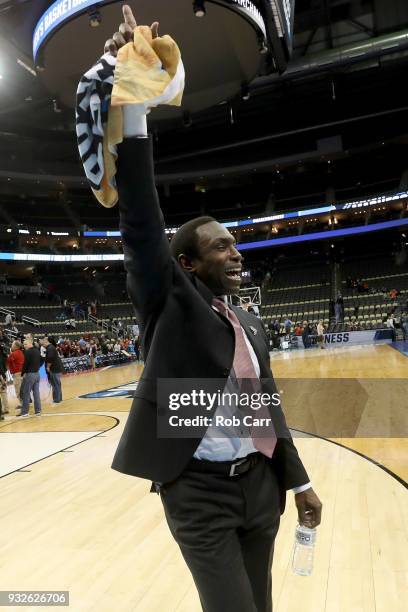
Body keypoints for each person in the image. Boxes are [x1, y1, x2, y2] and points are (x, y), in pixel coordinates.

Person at [92, 8, 322, 612]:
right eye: (222, 245)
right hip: (197, 492)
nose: (236, 253)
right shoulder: (168, 302)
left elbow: (266, 404)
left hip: (260, 487)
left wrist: (299, 481)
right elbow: (141, 220)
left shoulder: (247, 320)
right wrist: (135, 104)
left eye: (236, 244)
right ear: (189, 264)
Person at [17, 336, 42, 417]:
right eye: (24, 344)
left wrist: (22, 373)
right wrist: (37, 367)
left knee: (26, 393)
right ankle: (38, 411)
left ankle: (25, 412)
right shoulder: (37, 351)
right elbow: (42, 360)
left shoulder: (28, 352)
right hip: (37, 374)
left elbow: (25, 364)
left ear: (30, 343)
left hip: (30, 374)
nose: (24, 346)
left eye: (25, 344)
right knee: (36, 393)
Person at [41, 336, 64, 404]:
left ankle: (57, 399)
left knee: (55, 384)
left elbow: (50, 358)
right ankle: (59, 398)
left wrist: (48, 367)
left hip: (54, 369)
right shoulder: (51, 347)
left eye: (43, 341)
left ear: (47, 341)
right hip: (56, 368)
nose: (42, 343)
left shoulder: (50, 348)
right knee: (57, 384)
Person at [6, 340, 24, 412]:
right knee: (21, 390)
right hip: (21, 373)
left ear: (16, 346)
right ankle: (23, 403)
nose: (11, 346)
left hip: (17, 374)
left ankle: (23, 404)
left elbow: (8, 361)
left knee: (18, 390)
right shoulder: (20, 352)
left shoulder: (14, 354)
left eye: (12, 345)